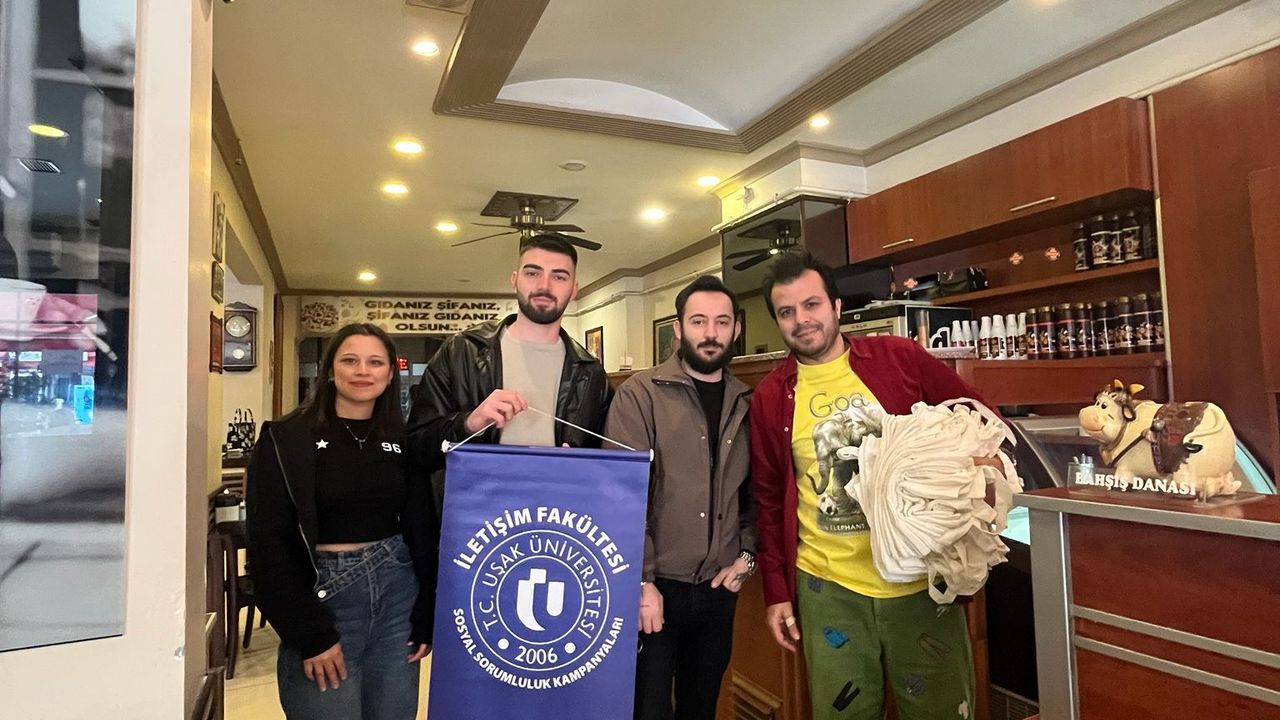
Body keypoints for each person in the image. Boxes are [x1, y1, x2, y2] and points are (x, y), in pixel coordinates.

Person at [749, 252, 1001, 720]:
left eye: (811, 305)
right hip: (828, 588)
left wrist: (980, 466)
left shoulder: (898, 358)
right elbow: (766, 499)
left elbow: (977, 415)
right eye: (787, 312)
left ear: (836, 306)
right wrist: (777, 591)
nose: (801, 320)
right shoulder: (770, 396)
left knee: (942, 711)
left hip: (921, 580)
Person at [247, 323, 435, 720]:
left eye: (375, 362)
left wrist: (426, 610)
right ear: (330, 370)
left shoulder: (403, 439)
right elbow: (268, 544)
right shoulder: (285, 438)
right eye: (350, 360)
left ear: (390, 374)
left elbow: (420, 526)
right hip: (325, 599)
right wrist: (310, 634)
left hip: (397, 599)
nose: (362, 371)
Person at [604, 275, 757, 720]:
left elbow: (755, 493)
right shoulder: (640, 395)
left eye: (722, 322)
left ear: (736, 330)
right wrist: (641, 582)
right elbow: (622, 495)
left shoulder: (746, 400)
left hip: (718, 589)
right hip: (655, 591)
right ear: (678, 328)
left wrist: (747, 557)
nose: (710, 332)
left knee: (701, 707)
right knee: (646, 710)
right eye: (698, 321)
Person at [408, 233, 612, 463]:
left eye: (559, 277)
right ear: (515, 279)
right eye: (532, 273)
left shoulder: (591, 372)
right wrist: (469, 423)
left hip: (558, 488)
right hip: (479, 486)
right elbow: (416, 446)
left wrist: (581, 466)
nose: (544, 286)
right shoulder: (461, 350)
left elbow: (608, 459)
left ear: (574, 290)